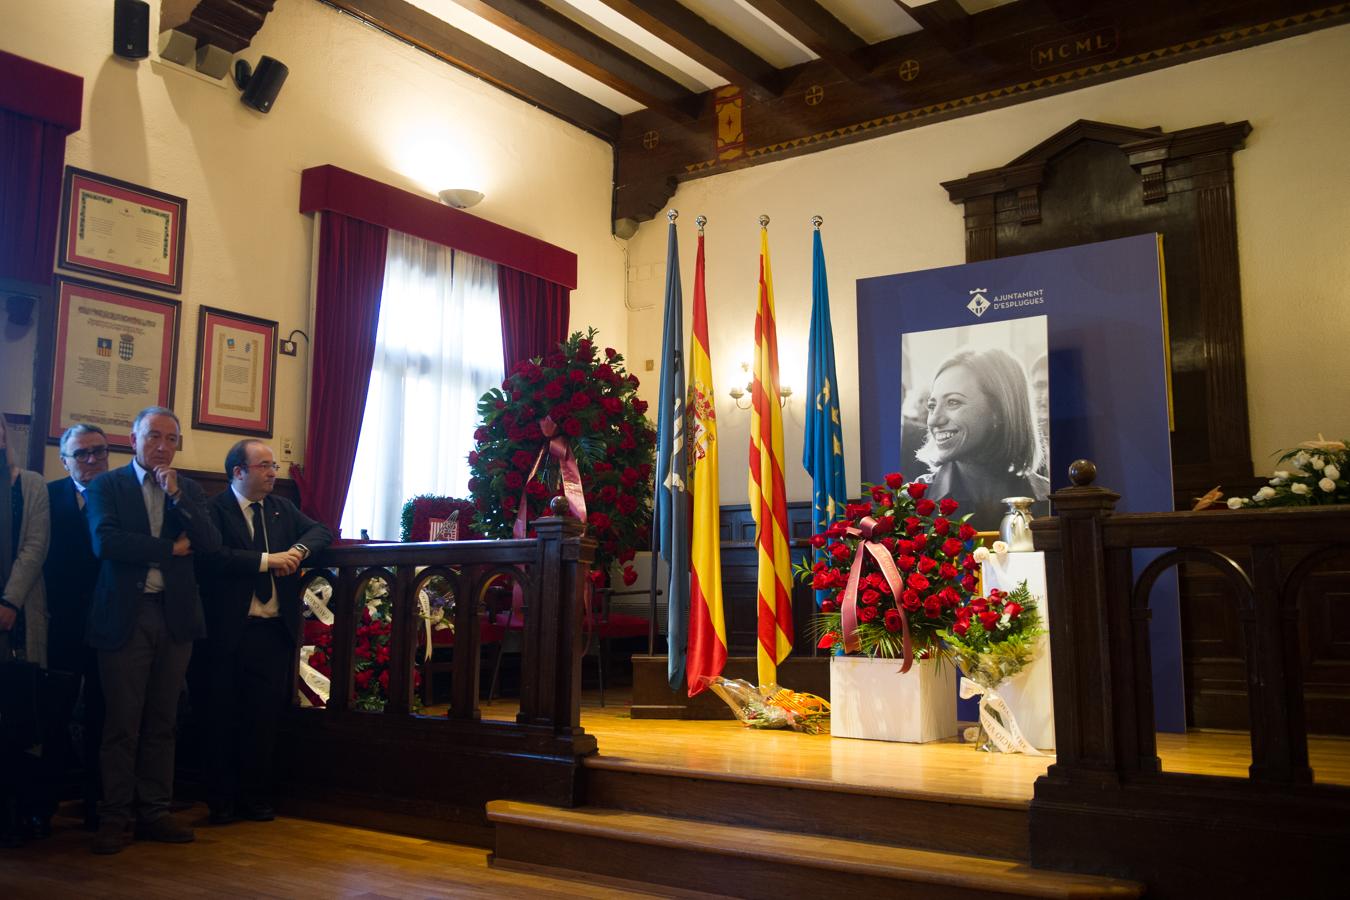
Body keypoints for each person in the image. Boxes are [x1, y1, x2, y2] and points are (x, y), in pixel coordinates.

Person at [84, 407, 220, 854]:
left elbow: (211, 544)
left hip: (175, 615)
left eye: (171, 439)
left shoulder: (189, 489)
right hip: (127, 613)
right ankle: (114, 816)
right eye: (154, 436)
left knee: (164, 721)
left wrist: (178, 496)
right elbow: (107, 542)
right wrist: (167, 549)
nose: (162, 446)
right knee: (122, 722)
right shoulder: (108, 485)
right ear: (133, 438)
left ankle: (154, 812)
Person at [197, 439, 330, 825]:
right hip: (226, 631)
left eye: (274, 465)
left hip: (271, 633)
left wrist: (299, 552)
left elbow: (320, 531)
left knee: (262, 720)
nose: (274, 473)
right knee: (220, 717)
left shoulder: (280, 509)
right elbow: (213, 557)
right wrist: (266, 561)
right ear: (238, 471)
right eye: (264, 466)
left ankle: (255, 799)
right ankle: (220, 802)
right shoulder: (214, 509)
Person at [44, 424, 110, 830]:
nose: (91, 460)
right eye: (81, 453)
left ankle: (97, 805)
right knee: (53, 715)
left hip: (109, 621)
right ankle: (44, 805)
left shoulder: (122, 496)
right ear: (64, 459)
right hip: (59, 623)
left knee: (104, 718)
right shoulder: (47, 496)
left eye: (98, 452)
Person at [916, 348, 1050, 531]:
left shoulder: (1049, 501)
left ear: (999, 411)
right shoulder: (913, 503)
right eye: (932, 406)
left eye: (953, 402)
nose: (934, 419)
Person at [0, 415, 51, 846]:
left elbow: (35, 546)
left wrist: (8, 601)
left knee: (21, 715)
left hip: (19, 616)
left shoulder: (29, 483)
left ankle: (22, 814)